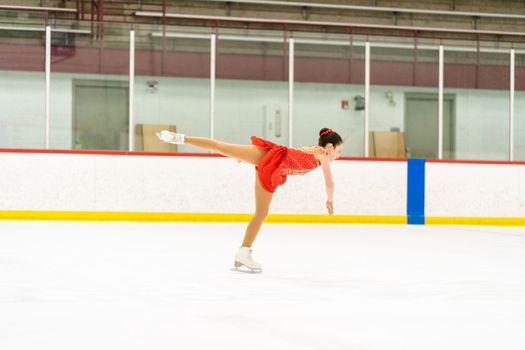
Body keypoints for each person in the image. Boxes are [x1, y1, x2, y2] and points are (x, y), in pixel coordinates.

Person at [157, 128, 343, 272]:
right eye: (338, 151)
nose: (338, 155)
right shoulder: (323, 155)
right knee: (221, 147)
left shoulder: (315, 151)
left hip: (271, 166)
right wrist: (330, 200)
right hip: (269, 158)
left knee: (261, 213)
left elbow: (293, 155)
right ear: (330, 147)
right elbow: (330, 182)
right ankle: (178, 138)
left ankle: (243, 254)